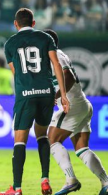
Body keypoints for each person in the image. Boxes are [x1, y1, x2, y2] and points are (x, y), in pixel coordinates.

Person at [0, 8, 70, 195]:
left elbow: (16, 73)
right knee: (42, 135)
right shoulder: (46, 38)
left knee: (19, 141)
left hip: (26, 95)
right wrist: (62, 94)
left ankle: (17, 188)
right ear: (34, 22)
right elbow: (56, 64)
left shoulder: (10, 44)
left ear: (16, 24)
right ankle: (45, 180)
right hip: (46, 93)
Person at [45, 29, 108, 195]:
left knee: (51, 140)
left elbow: (69, 76)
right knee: (82, 149)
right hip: (82, 105)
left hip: (72, 106)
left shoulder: (55, 55)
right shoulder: (54, 56)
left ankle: (71, 180)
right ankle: (106, 183)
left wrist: (58, 95)